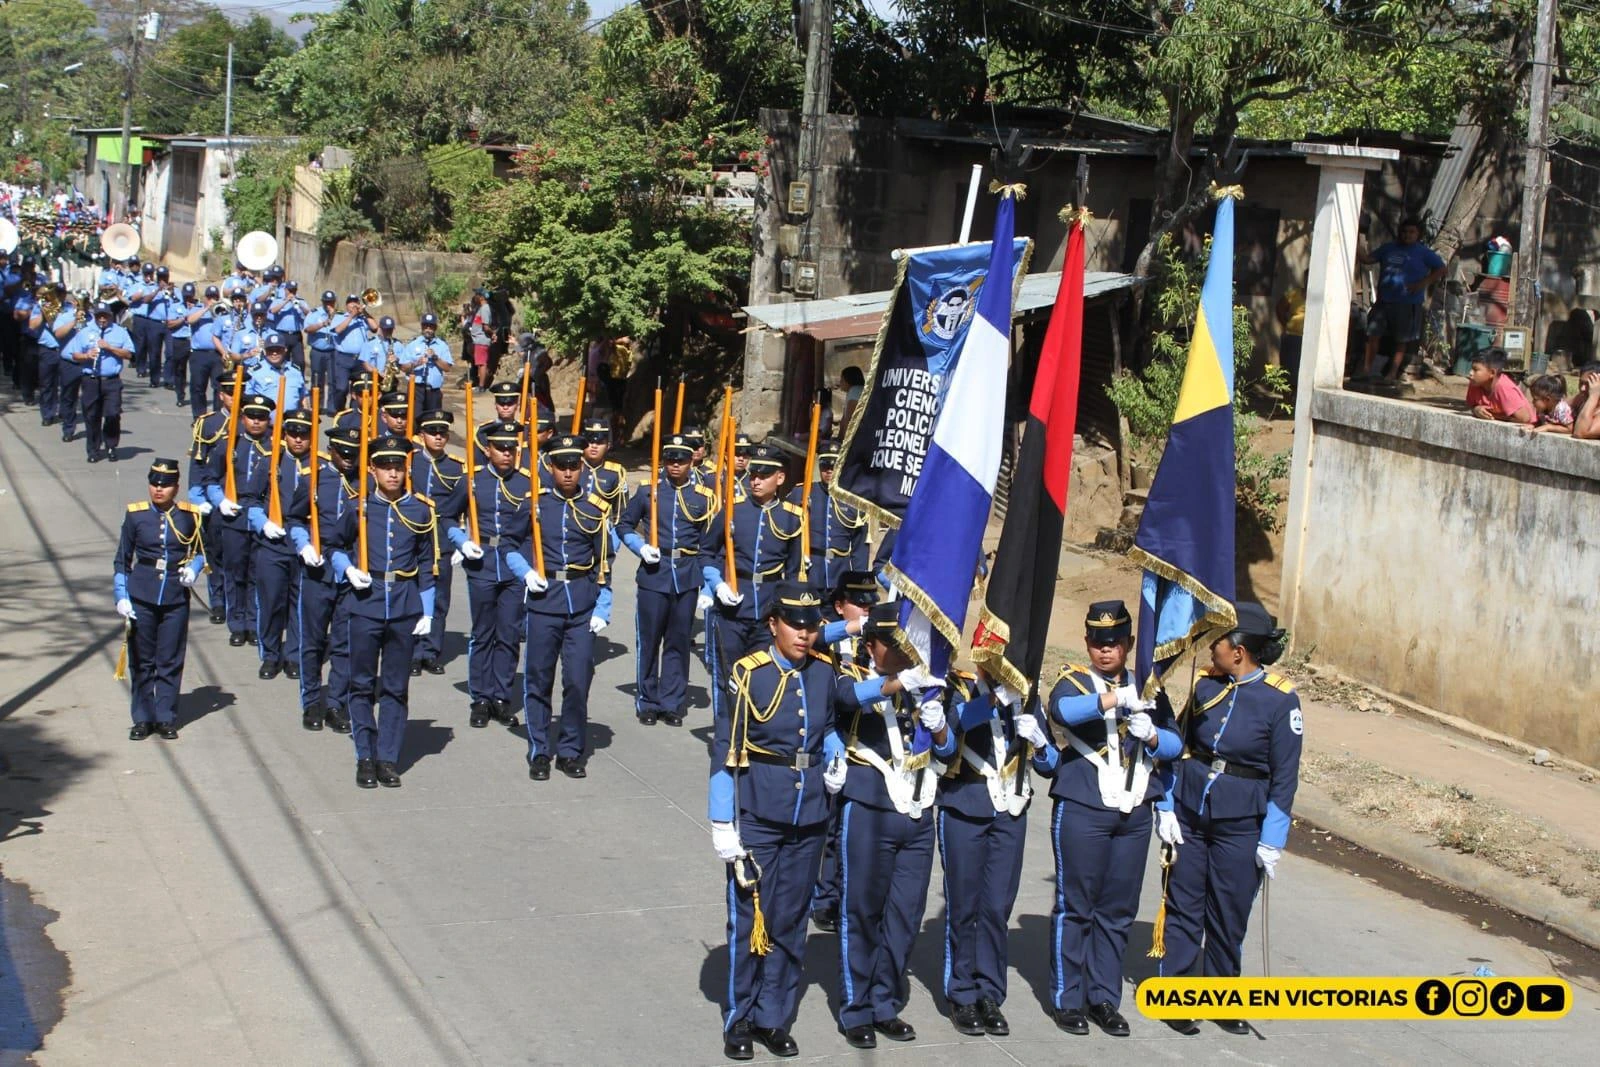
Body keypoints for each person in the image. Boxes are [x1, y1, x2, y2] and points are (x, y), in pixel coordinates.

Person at [709, 583, 845, 1061]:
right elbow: (726, 748)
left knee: (790, 920)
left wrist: (834, 751)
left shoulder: (825, 672)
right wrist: (722, 820)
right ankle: (740, 1018)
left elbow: (825, 725)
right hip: (760, 813)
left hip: (809, 815)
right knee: (750, 920)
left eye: (811, 626)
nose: (805, 635)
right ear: (773, 625)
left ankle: (773, 1016)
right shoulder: (749, 674)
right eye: (795, 625)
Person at [1158, 602, 1303, 1037]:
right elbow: (1178, 745)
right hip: (1192, 809)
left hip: (1242, 819)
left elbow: (1285, 775)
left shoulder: (1280, 699)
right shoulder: (1206, 687)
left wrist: (1272, 839)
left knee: (1227, 911)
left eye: (1217, 641)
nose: (1211, 648)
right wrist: (1166, 804)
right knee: (1184, 905)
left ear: (1238, 651)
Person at [1038, 601, 1182, 1037]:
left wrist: (1154, 733)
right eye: (1098, 643)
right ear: (1087, 644)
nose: (1105, 651)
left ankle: (1103, 997)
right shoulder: (1074, 680)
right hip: (1084, 805)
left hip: (1134, 809)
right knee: (1076, 907)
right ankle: (1068, 999)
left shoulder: (1151, 688)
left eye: (1115, 643)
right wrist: (1117, 698)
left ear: (1129, 645)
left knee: (1118, 910)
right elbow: (1063, 712)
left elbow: (1176, 745)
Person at [831, 602, 954, 1049]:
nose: (902, 653)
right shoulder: (848, 673)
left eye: (908, 645)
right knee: (862, 911)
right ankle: (856, 1007)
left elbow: (948, 748)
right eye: (892, 645)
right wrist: (900, 682)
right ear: (871, 645)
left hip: (918, 814)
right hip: (869, 808)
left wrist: (940, 730)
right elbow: (846, 700)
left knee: (904, 915)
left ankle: (886, 1003)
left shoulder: (930, 684)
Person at [936, 671, 1049, 1038]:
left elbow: (1049, 766)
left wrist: (1042, 742)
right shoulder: (960, 689)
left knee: (997, 907)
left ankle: (989, 992)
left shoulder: (1027, 696)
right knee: (964, 905)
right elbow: (947, 738)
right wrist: (992, 701)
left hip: (1010, 811)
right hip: (966, 805)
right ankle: (962, 992)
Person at [324, 434, 437, 789]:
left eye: (398, 467)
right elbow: (333, 544)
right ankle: (365, 755)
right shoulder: (358, 506)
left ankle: (388, 756)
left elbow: (426, 563)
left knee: (395, 686)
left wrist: (427, 611)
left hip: (404, 603)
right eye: (385, 467)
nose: (392, 474)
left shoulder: (421, 509)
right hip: (365, 602)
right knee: (360, 685)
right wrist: (347, 569)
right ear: (372, 469)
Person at [521, 434, 610, 779]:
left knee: (577, 680)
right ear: (551, 467)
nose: (569, 472)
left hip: (581, 602)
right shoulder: (535, 504)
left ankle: (571, 749)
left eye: (574, 466)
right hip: (545, 601)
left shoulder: (595, 509)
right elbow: (512, 544)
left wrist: (603, 606)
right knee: (538, 678)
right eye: (562, 466)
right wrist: (525, 572)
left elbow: (605, 561)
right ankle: (540, 749)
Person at [616, 433, 718, 726]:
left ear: (691, 461)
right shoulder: (649, 491)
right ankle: (647, 700)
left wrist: (708, 583)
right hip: (654, 573)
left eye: (681, 460)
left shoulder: (703, 497)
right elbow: (624, 524)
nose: (675, 465)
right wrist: (640, 547)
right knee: (649, 641)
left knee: (678, 641)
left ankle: (672, 701)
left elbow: (709, 543)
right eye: (670, 459)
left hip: (686, 574)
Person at [439, 420, 532, 730]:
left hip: (514, 566)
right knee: (483, 633)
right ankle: (480, 697)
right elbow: (447, 516)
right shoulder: (473, 481)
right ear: (488, 450)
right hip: (482, 563)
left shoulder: (527, 483)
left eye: (511, 448)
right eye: (501, 448)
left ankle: (502, 696)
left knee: (509, 633)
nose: (507, 453)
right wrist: (462, 541)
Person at [704, 443, 804, 717]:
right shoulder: (733, 510)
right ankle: (726, 743)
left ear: (780, 478)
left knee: (762, 680)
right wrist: (717, 584)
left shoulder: (792, 518)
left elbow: (795, 572)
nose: (756, 481)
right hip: (733, 609)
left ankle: (752, 739)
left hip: (768, 613)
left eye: (763, 475)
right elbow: (707, 552)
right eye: (753, 475)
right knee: (727, 679)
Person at [114, 458, 206, 741]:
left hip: (175, 597)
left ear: (176, 488)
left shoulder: (189, 516)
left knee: (169, 658)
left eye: (165, 485)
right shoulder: (136, 515)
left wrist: (193, 569)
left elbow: (201, 551)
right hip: (142, 594)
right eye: (154, 483)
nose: (158, 489)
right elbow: (122, 560)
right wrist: (122, 596)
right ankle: (142, 717)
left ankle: (165, 716)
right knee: (141, 660)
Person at [286, 427, 358, 734]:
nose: (348, 460)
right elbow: (293, 518)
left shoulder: (365, 483)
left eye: (354, 454)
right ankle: (312, 701)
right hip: (318, 569)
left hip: (352, 569)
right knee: (313, 641)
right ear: (331, 451)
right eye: (343, 453)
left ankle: (336, 703)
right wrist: (303, 544)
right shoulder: (313, 480)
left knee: (345, 642)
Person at [245, 408, 314, 680]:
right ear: (284, 434)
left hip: (305, 543)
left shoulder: (319, 466)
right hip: (273, 541)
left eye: (304, 434)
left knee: (300, 604)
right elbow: (249, 499)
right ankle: (271, 654)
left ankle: (294, 655)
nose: (298, 439)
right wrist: (262, 523)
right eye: (293, 433)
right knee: (272, 601)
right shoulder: (270, 461)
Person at [204, 393, 276, 647]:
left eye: (262, 418)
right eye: (252, 416)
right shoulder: (229, 444)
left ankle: (254, 622)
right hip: (233, 515)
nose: (256, 422)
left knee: (258, 573)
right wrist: (219, 500)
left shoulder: (275, 446)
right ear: (243, 417)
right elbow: (211, 478)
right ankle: (237, 623)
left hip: (261, 519)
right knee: (235, 572)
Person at [409, 409, 463, 676]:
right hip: (411, 534)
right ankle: (410, 650)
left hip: (441, 537)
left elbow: (465, 507)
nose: (439, 437)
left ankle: (430, 651)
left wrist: (463, 540)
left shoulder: (456, 466)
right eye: (433, 432)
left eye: (443, 432)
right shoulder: (409, 461)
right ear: (421, 435)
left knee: (440, 597)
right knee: (412, 594)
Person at [1359, 217, 1445, 380]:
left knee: (1401, 340)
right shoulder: (1389, 248)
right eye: (1404, 232)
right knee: (1372, 336)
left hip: (1407, 303)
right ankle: (1366, 370)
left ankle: (1392, 373)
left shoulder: (1424, 253)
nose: (1407, 235)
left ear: (1418, 234)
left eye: (1411, 232)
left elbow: (1441, 269)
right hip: (1384, 301)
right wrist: (1355, 241)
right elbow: (1367, 259)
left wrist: (1423, 283)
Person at [62, 301, 133, 463]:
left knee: (113, 414)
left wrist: (110, 348)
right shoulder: (84, 331)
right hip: (91, 380)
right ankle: (93, 449)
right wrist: (87, 356)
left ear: (110, 316)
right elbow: (74, 355)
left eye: (105, 316)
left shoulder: (120, 332)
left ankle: (111, 445)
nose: (102, 319)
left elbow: (129, 354)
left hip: (112, 380)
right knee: (92, 415)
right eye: (99, 316)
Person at [805, 441, 868, 589]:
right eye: (825, 466)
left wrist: (858, 581)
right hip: (811, 571)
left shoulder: (855, 500)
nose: (829, 471)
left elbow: (860, 548)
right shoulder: (804, 494)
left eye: (834, 467)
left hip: (840, 573)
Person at [247, 332, 310, 416]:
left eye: (278, 350)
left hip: (290, 425)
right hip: (264, 425)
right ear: (265, 351)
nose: (274, 353)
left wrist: (307, 415)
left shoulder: (295, 371)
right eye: (270, 350)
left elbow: (303, 398)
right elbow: (247, 400)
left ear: (285, 350)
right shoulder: (254, 372)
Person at [1465, 348, 1533, 424]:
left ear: (1492, 373)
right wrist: (1476, 409)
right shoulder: (1475, 383)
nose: (1470, 373)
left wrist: (1494, 416)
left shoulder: (1504, 387)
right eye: (1471, 368)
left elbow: (1524, 418)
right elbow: (1470, 405)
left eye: (1475, 370)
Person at [404, 313, 454, 416]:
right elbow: (403, 367)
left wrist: (435, 358)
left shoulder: (442, 345)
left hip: (434, 390)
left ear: (435, 328)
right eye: (425, 326)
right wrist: (417, 363)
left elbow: (447, 368)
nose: (428, 329)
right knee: (415, 419)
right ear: (422, 327)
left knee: (432, 421)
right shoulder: (413, 344)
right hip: (416, 389)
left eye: (431, 326)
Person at [165, 281, 205, 408]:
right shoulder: (175, 306)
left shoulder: (199, 307)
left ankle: (195, 396)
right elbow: (170, 324)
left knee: (195, 371)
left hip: (194, 341)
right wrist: (184, 318)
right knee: (180, 370)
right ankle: (180, 395)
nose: (188, 298)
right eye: (186, 296)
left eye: (190, 296)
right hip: (180, 341)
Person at [188, 285, 226, 419]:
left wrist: (218, 311)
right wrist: (206, 309)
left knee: (218, 387)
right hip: (199, 354)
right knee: (198, 386)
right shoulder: (198, 309)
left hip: (217, 354)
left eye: (215, 298)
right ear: (205, 298)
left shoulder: (222, 311)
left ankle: (217, 417)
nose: (212, 300)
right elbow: (189, 320)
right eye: (210, 298)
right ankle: (198, 417)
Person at [35, 283, 69, 427]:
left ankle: (65, 411)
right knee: (47, 384)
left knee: (67, 385)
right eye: (55, 293)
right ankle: (48, 414)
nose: (58, 296)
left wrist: (79, 313)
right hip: (47, 350)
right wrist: (43, 315)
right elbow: (32, 325)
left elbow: (81, 326)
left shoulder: (70, 308)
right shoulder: (42, 307)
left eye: (61, 293)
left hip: (66, 349)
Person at [330, 294, 372, 410]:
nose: (353, 304)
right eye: (351, 302)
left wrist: (365, 313)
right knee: (341, 388)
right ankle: (339, 411)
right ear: (346, 305)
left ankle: (355, 412)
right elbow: (337, 330)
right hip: (343, 358)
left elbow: (375, 327)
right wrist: (351, 317)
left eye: (356, 302)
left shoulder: (362, 319)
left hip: (360, 359)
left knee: (359, 387)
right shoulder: (340, 317)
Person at [303, 290, 340, 409]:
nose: (329, 305)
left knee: (332, 380)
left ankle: (331, 407)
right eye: (326, 302)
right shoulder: (314, 313)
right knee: (317, 379)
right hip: (318, 351)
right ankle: (316, 406)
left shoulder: (339, 315)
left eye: (331, 302)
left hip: (332, 351)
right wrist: (322, 324)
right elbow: (307, 329)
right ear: (323, 302)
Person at [273, 280, 307, 372]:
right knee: (283, 360)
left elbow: (309, 313)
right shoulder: (279, 300)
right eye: (290, 290)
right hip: (283, 334)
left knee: (300, 361)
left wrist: (299, 305)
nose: (292, 293)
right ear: (285, 290)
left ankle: (299, 380)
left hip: (296, 335)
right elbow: (272, 311)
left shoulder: (300, 301)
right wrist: (286, 301)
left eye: (294, 291)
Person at [463, 290, 493, 390]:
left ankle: (481, 386)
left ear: (481, 297)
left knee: (482, 363)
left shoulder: (485, 308)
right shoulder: (481, 308)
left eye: (476, 295)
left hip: (481, 340)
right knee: (480, 363)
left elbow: (486, 327)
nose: (475, 296)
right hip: (478, 340)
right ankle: (480, 384)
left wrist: (493, 334)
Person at [839, 366, 866, 432]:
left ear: (848, 380)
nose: (840, 382)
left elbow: (849, 420)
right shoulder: (856, 391)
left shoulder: (854, 391)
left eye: (842, 379)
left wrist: (844, 440)